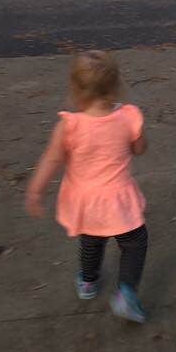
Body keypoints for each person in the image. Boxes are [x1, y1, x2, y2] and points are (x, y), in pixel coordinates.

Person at [25, 50, 149, 323]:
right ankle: (126, 291)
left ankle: (88, 281)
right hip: (119, 199)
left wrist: (35, 190)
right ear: (116, 86)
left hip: (86, 201)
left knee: (92, 240)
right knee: (135, 242)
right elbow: (139, 149)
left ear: (75, 89)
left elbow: (52, 158)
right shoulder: (129, 116)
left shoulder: (69, 126)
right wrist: (135, 138)